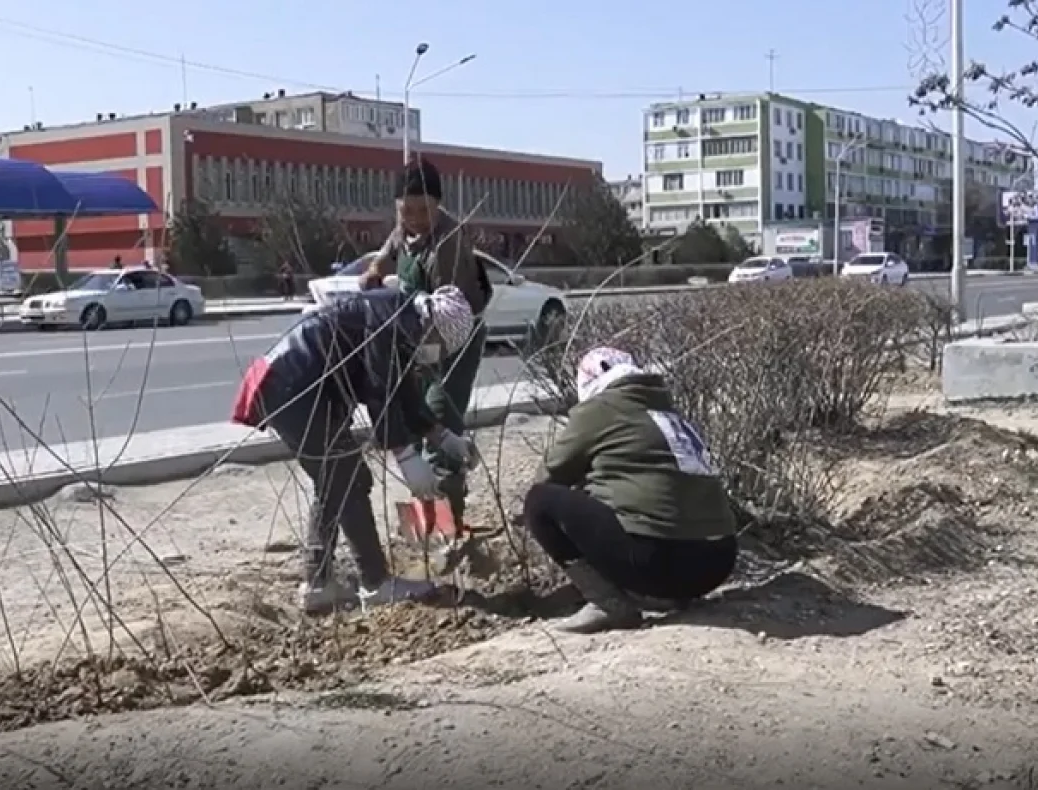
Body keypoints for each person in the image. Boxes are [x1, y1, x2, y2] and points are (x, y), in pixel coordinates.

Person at [231, 284, 479, 614]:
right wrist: (405, 456)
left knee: (335, 480)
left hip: (295, 387)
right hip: (295, 388)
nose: (437, 352)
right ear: (431, 326)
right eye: (439, 344)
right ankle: (375, 583)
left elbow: (402, 391)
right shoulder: (386, 321)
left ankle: (318, 584)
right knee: (350, 479)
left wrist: (444, 437)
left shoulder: (398, 321)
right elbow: (381, 392)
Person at [522, 347, 739, 634]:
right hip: (717, 563)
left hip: (659, 563)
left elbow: (549, 476)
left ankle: (608, 604)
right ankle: (666, 597)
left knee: (540, 501)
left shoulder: (600, 409)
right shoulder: (667, 411)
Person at [358, 156, 493, 554]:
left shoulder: (449, 243)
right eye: (406, 211)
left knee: (439, 424)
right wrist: (370, 278)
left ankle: (445, 536)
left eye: (423, 210)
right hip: (419, 341)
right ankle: (424, 530)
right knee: (415, 427)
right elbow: (381, 261)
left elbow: (447, 312)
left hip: (454, 340)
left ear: (438, 204)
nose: (415, 219)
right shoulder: (404, 232)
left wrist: (420, 358)